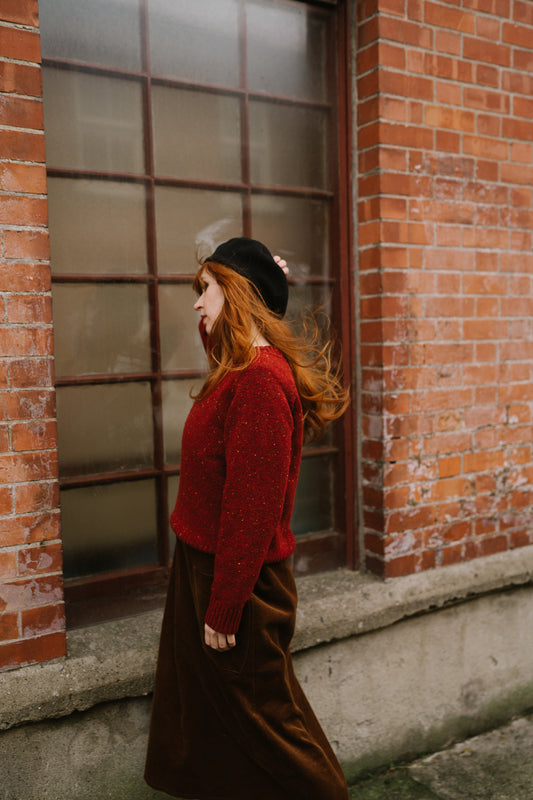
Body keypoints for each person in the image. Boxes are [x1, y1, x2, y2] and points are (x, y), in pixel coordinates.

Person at [145, 237, 351, 800]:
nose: (196, 304)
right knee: (219, 724)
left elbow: (251, 509)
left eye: (205, 289)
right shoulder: (237, 370)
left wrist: (227, 599)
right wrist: (260, 288)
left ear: (233, 294)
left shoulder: (259, 381)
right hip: (207, 567)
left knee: (270, 723)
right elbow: (222, 344)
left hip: (238, 577)